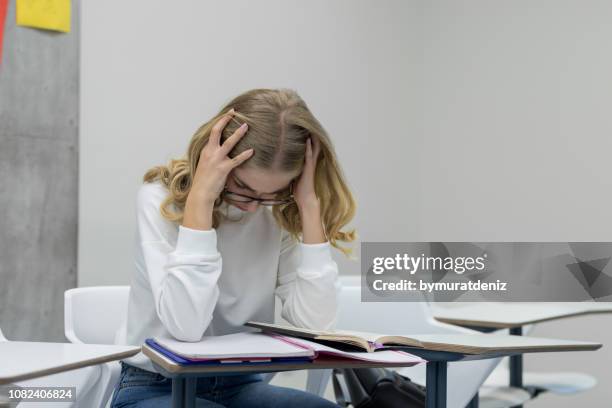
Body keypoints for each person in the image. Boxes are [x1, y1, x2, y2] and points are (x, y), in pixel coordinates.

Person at [110, 88, 357, 407]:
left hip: (239, 383)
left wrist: (309, 208)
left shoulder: (277, 214)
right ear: (215, 160)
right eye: (243, 187)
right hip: (157, 385)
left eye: (273, 193)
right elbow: (186, 328)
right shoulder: (158, 200)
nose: (254, 207)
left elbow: (316, 325)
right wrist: (200, 202)